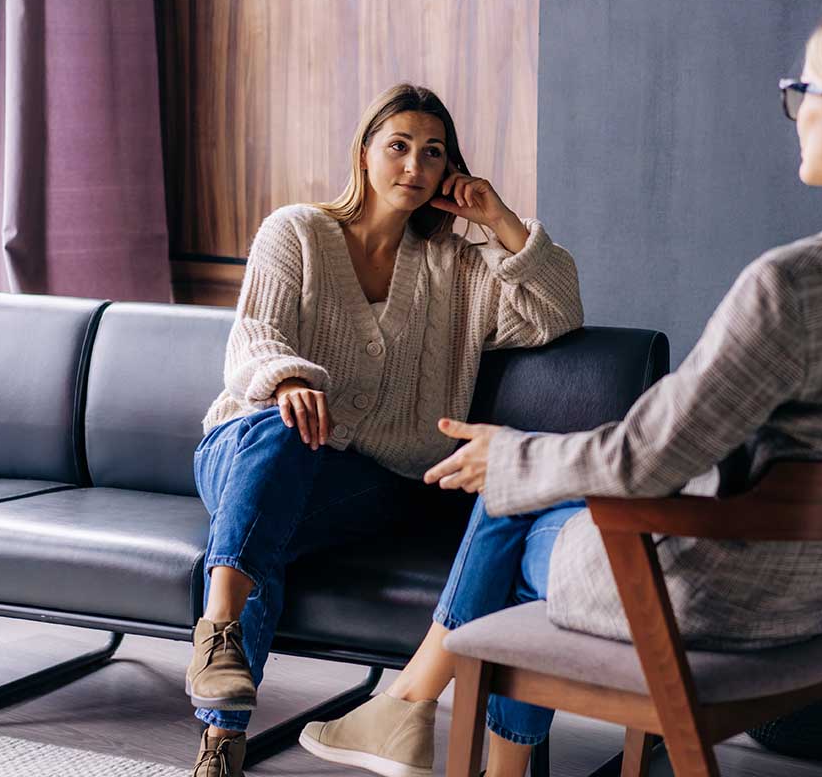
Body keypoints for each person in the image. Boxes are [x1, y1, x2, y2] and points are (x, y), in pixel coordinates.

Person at [301, 0, 822, 777]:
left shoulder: (795, 284)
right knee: (522, 489)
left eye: (798, 93)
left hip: (708, 597)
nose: (795, 111)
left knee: (509, 502)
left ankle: (409, 713)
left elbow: (650, 459)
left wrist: (512, 459)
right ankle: (415, 716)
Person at [187, 83, 584, 777]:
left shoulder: (458, 267)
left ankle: (226, 736)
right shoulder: (298, 230)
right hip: (246, 445)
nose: (414, 165)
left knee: (268, 528)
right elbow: (253, 335)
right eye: (398, 146)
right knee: (283, 442)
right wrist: (289, 380)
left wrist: (501, 220)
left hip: (369, 482)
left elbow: (558, 313)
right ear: (364, 154)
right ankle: (218, 647)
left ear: (449, 171)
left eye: (433, 153)